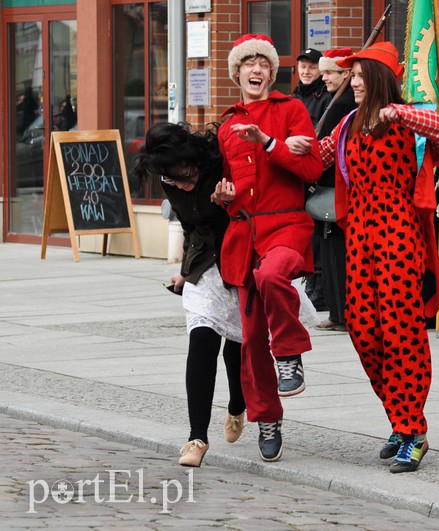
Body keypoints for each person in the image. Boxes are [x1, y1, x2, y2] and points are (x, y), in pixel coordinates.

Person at [293, 41, 439, 473]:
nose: (354, 82)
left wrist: (402, 113)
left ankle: (412, 430)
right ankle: (400, 417)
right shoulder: (348, 122)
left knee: (401, 333)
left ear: (382, 79)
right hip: (359, 240)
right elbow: (314, 162)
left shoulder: (409, 121)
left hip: (398, 236)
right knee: (365, 332)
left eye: (362, 76)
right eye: (352, 76)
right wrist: (277, 144)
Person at [212, 34, 323, 462]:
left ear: (271, 73)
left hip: (288, 226)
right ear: (237, 72)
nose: (256, 71)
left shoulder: (291, 110)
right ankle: (267, 418)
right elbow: (230, 190)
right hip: (244, 237)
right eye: (248, 64)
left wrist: (270, 143)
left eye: (263, 64)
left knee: (273, 274)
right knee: (252, 340)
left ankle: (291, 353)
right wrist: (222, 196)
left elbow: (313, 166)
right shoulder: (225, 125)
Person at [131, 122, 246, 467]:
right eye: (173, 179)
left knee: (238, 347)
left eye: (186, 175)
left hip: (238, 255)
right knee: (202, 342)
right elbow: (189, 224)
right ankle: (196, 438)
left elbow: (250, 208)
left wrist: (227, 202)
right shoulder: (170, 179)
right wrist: (184, 271)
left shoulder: (219, 163)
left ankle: (238, 404)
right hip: (203, 263)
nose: (182, 183)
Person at [312, 48, 357, 333]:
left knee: (339, 254)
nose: (323, 76)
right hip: (326, 186)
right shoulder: (331, 100)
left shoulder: (344, 104)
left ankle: (343, 313)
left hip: (337, 187)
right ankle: (336, 311)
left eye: (330, 72)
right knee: (328, 253)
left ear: (346, 75)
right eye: (324, 71)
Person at [293, 47, 331, 311]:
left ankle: (319, 287)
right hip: (297, 172)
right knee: (306, 232)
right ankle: (310, 281)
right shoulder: (293, 97)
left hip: (317, 172)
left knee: (318, 232)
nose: (306, 72)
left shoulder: (327, 97)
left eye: (312, 67)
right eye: (302, 66)